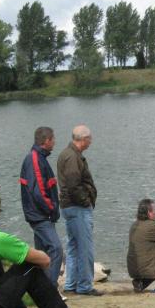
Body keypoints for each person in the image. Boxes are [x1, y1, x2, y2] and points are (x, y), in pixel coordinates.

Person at [56, 125, 102, 296]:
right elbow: (73, 185)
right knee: (85, 247)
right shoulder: (72, 157)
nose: (91, 141)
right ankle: (84, 286)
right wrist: (86, 202)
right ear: (83, 139)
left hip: (69, 207)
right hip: (77, 208)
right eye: (90, 138)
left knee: (73, 246)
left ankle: (71, 284)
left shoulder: (68, 154)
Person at [20, 126, 63, 286]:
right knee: (56, 249)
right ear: (46, 141)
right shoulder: (35, 159)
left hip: (39, 214)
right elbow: (38, 192)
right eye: (53, 139)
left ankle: (38, 288)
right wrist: (52, 208)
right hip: (40, 215)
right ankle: (49, 289)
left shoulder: (39, 158)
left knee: (41, 255)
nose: (55, 142)